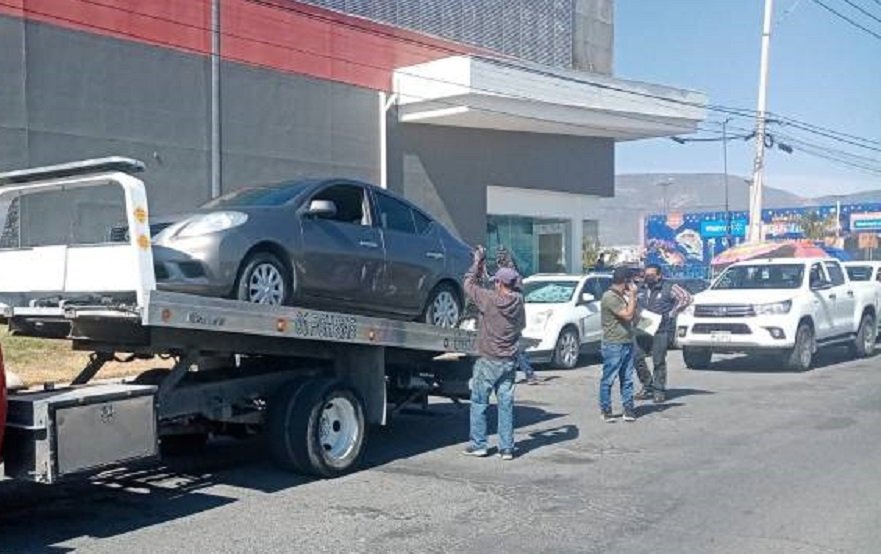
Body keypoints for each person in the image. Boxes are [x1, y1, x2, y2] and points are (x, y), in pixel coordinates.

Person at [463, 245, 526, 460]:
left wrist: (477, 262)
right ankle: (506, 448)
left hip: (488, 359)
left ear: (499, 283)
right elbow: (521, 327)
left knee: (480, 402)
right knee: (505, 404)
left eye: (496, 281)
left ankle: (480, 444)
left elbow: (468, 285)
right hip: (509, 360)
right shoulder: (519, 303)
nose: (494, 283)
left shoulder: (489, 299)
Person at [634, 265, 693, 403]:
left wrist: (672, 313)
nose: (648, 277)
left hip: (661, 328)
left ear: (659, 275)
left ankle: (659, 390)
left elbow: (687, 298)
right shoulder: (641, 288)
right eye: (646, 274)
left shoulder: (669, 287)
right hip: (644, 326)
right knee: (636, 356)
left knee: (658, 360)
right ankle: (647, 384)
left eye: (651, 275)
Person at [599, 266, 638, 423]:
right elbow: (627, 315)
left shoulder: (621, 296)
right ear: (625, 281)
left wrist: (631, 298)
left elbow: (633, 315)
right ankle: (606, 409)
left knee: (627, 378)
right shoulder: (610, 297)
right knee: (609, 378)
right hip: (614, 343)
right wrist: (633, 295)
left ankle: (628, 409)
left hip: (627, 341)